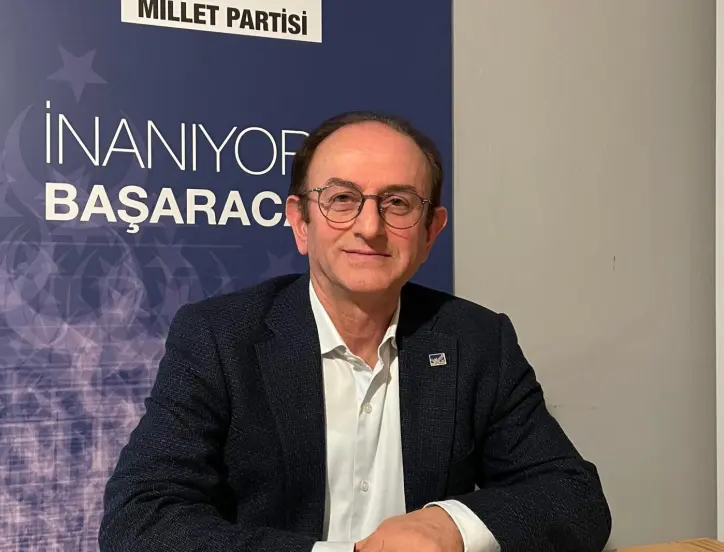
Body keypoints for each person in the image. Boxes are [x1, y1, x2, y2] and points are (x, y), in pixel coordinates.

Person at [99, 111, 612, 552]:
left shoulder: (477, 340)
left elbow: (574, 497)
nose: (370, 227)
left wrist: (450, 525)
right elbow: (140, 520)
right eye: (342, 199)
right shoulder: (219, 337)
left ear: (431, 231)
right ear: (301, 222)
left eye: (398, 203)